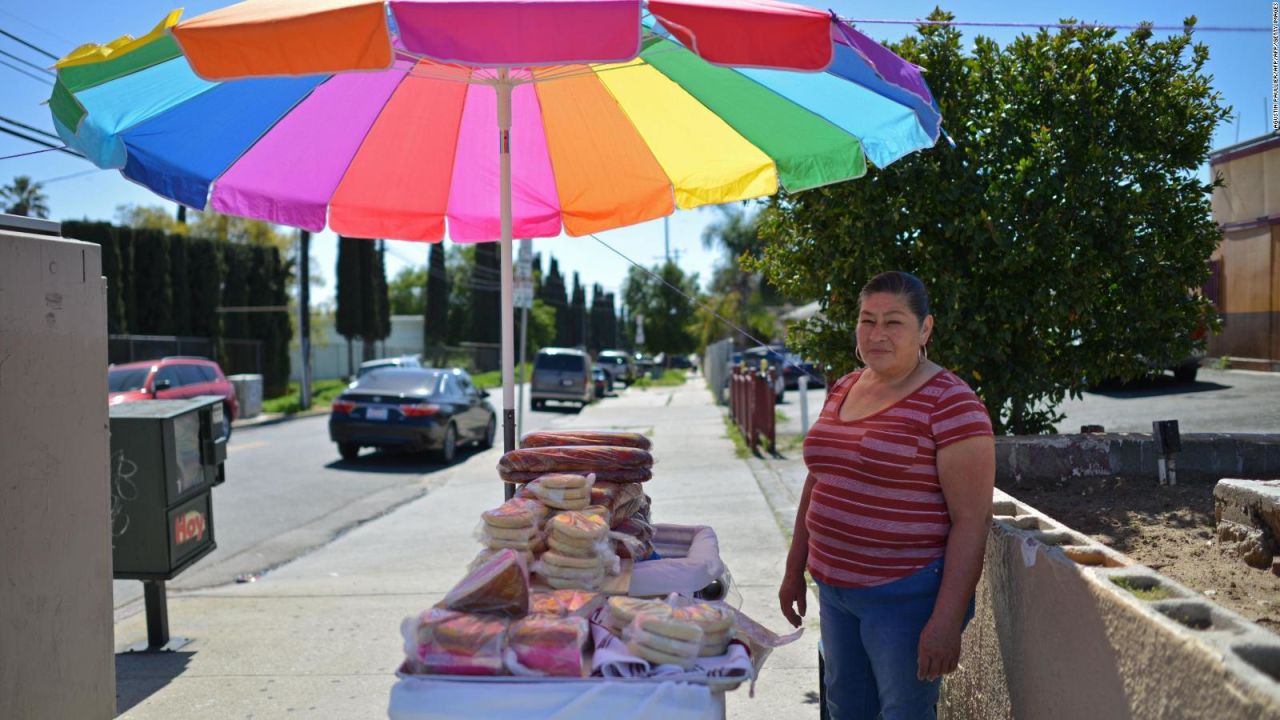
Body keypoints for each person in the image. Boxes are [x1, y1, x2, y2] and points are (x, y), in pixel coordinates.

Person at [778, 271, 995, 720]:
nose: (877, 334)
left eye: (893, 322)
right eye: (867, 320)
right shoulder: (844, 387)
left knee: (902, 713)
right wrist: (794, 568)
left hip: (904, 597)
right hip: (835, 590)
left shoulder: (951, 402)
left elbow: (972, 520)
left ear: (925, 329)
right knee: (845, 707)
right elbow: (819, 479)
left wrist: (946, 621)